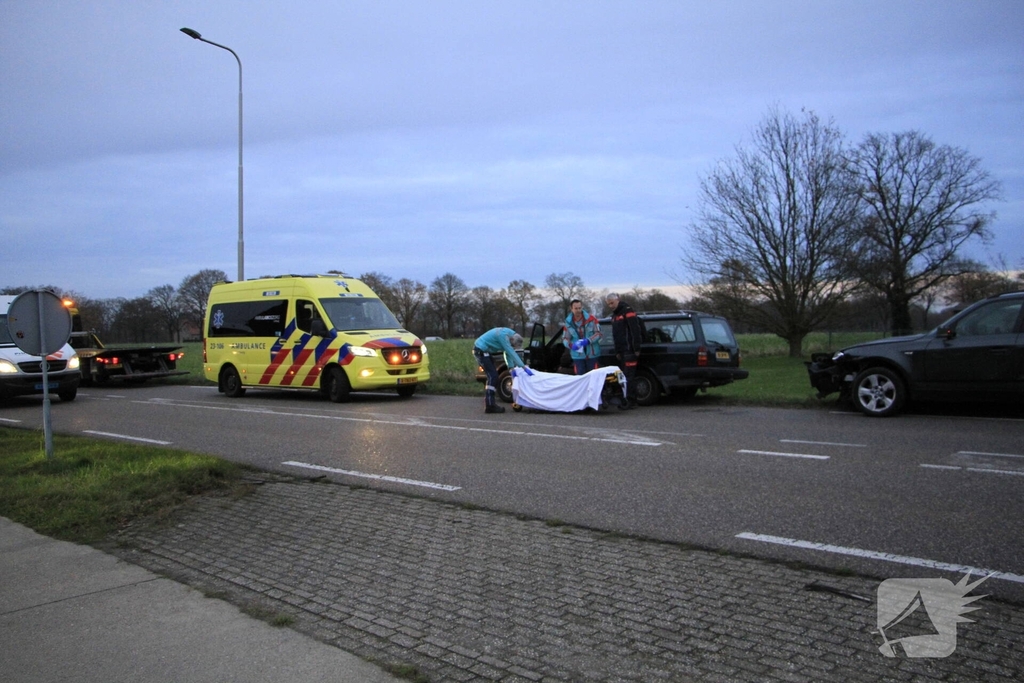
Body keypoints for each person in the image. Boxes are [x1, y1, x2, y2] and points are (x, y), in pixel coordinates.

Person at [473, 327, 527, 414]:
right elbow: (510, 352)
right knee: (493, 376)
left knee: (493, 377)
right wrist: (524, 367)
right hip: (481, 350)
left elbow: (508, 352)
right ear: (512, 340)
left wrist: (511, 368)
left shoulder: (509, 335)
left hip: (484, 351)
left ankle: (490, 403)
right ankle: (490, 405)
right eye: (512, 345)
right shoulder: (503, 336)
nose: (512, 347)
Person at [605, 292, 643, 409]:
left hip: (629, 350)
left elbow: (635, 330)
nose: (611, 306)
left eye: (612, 303)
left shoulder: (627, 311)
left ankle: (631, 401)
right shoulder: (614, 316)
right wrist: (617, 351)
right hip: (621, 351)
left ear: (618, 300)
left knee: (628, 376)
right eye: (609, 304)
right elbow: (615, 335)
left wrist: (636, 347)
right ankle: (627, 399)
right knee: (624, 376)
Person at [563, 299, 602, 375]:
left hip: (592, 355)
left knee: (593, 377)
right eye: (576, 308)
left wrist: (588, 340)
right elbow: (565, 338)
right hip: (577, 356)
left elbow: (599, 334)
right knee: (580, 379)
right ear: (571, 309)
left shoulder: (592, 319)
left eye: (580, 308)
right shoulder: (568, 323)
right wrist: (571, 345)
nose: (578, 310)